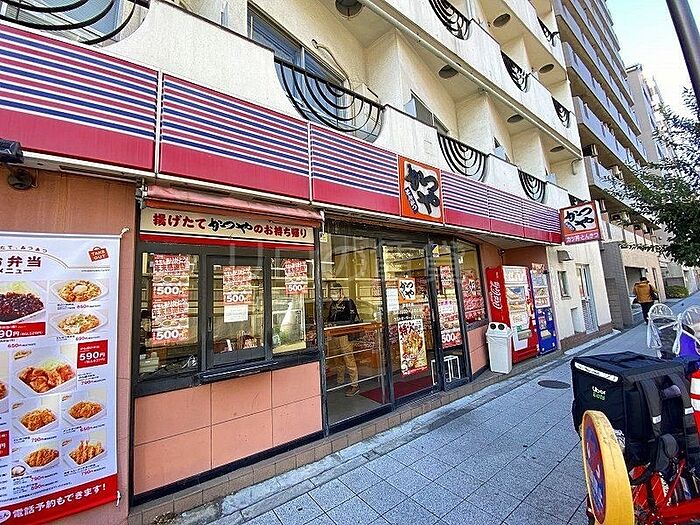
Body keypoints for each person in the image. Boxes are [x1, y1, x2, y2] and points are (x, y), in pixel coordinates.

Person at [326, 282, 361, 397]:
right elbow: (329, 318)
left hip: (345, 336)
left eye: (335, 292)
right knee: (337, 359)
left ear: (341, 292)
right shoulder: (332, 304)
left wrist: (337, 324)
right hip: (334, 335)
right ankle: (340, 380)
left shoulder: (348, 302)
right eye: (332, 293)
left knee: (348, 359)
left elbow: (351, 319)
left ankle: (355, 385)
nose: (333, 295)